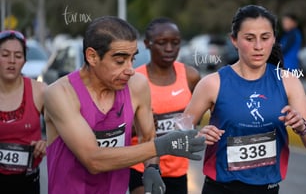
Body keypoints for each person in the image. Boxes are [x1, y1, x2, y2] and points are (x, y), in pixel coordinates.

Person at [44, 16, 205, 194]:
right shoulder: (60, 93)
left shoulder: (137, 85)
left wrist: (152, 168)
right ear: (92, 56)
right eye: (120, 61)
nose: (129, 69)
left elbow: (147, 136)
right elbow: (93, 160)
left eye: (132, 59)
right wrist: (162, 146)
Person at [184, 5, 306, 194]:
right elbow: (179, 132)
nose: (258, 46)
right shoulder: (212, 83)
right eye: (249, 39)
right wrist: (197, 136)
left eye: (265, 38)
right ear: (234, 40)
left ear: (273, 39)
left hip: (268, 189)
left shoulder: (288, 82)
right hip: (221, 189)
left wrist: (302, 127)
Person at [129, 18, 201, 194]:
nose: (169, 49)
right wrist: (140, 126)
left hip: (177, 167)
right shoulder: (134, 80)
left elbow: (198, 118)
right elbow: (120, 127)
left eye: (175, 43)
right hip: (142, 164)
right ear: (147, 44)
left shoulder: (191, 76)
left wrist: (189, 127)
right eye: (162, 43)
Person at [0, 30, 47, 194]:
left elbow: (62, 128)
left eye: (18, 56)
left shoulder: (39, 90)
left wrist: (46, 143)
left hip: (27, 182)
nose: (11, 61)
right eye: (5, 55)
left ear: (25, 60)